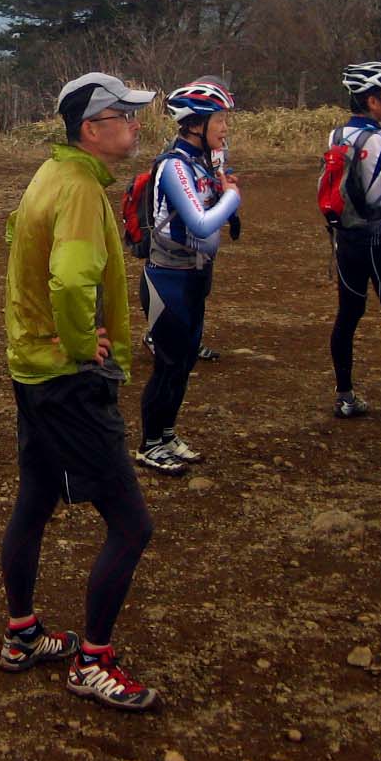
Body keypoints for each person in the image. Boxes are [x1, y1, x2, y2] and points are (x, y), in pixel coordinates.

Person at [0, 72, 160, 713]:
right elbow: (68, 280)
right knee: (131, 524)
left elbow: (16, 241)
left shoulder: (52, 174)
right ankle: (92, 661)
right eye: (123, 114)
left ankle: (23, 636)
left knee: (35, 501)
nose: (135, 124)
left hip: (33, 370)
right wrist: (76, 345)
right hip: (66, 379)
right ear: (91, 130)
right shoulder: (81, 193)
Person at [136, 79, 242, 475]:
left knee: (184, 363)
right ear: (197, 123)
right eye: (220, 120)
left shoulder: (203, 160)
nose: (225, 128)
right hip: (168, 278)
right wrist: (232, 197)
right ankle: (149, 444)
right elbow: (199, 223)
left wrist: (224, 191)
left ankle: (166, 434)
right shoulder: (175, 165)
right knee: (167, 363)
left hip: (195, 276)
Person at [325, 62, 381, 420]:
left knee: (348, 314)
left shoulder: (335, 136)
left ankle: (344, 394)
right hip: (380, 243)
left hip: (345, 241)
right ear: (373, 101)